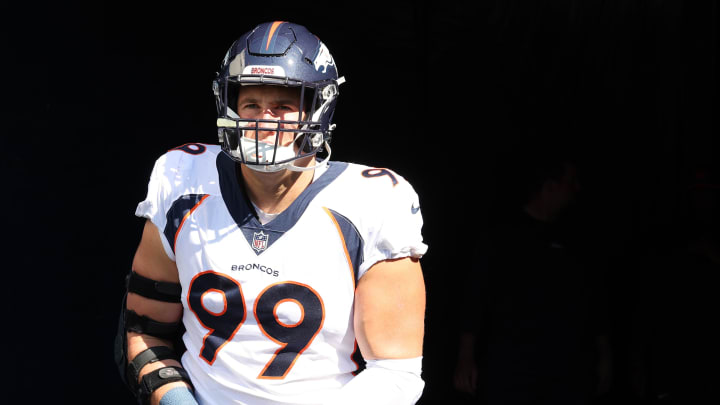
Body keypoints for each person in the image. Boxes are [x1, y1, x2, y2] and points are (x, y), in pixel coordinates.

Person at [114, 21, 428, 405]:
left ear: (319, 109)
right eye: (251, 104)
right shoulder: (182, 179)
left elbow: (395, 372)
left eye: (282, 106)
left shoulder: (373, 200)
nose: (264, 121)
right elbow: (145, 332)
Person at [453, 147, 612, 405]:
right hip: (511, 367)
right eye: (570, 183)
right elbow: (475, 298)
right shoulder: (501, 237)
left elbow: (594, 301)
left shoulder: (577, 240)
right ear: (549, 186)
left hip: (567, 368)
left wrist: (604, 354)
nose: (576, 189)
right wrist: (465, 356)